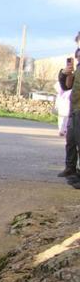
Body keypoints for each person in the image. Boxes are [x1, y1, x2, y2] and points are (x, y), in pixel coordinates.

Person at [59, 40, 80, 185]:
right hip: (75, 107)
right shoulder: (78, 67)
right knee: (71, 140)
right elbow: (67, 86)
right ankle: (71, 168)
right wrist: (64, 74)